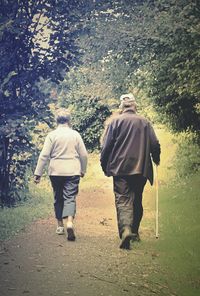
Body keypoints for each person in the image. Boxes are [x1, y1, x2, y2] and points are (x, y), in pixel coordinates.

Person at [100, 93, 161, 249]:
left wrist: (104, 164)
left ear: (122, 107)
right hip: (141, 169)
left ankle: (126, 229)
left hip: (120, 169)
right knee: (137, 199)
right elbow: (154, 143)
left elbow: (106, 147)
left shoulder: (115, 122)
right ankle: (135, 232)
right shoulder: (144, 122)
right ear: (135, 105)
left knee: (123, 199)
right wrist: (156, 159)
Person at [34, 108, 88, 241]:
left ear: (56, 121)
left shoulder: (52, 135)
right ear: (69, 121)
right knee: (70, 197)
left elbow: (44, 155)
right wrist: (83, 170)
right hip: (72, 171)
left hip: (56, 171)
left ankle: (59, 225)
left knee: (58, 197)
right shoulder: (75, 134)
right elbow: (84, 154)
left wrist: (38, 173)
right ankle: (69, 222)